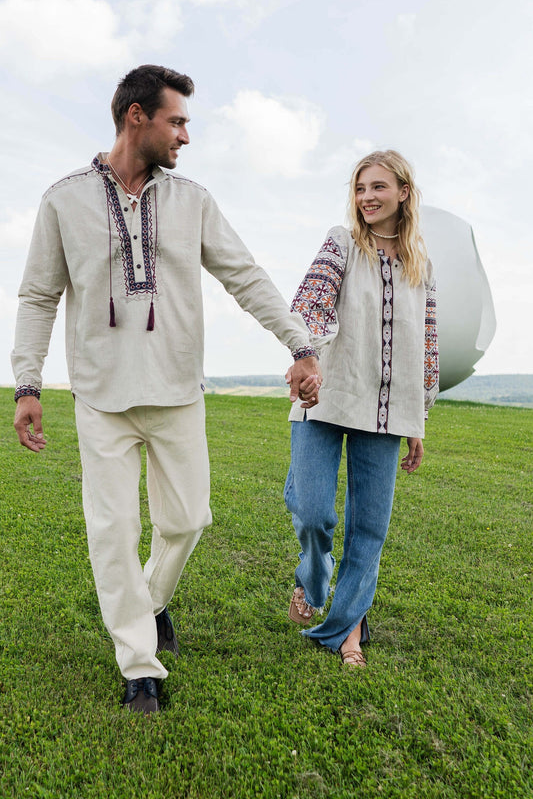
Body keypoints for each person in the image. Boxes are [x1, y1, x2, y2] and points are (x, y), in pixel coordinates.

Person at [11, 65, 321, 714]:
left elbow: (245, 275)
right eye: (176, 121)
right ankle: (138, 666)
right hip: (101, 396)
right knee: (114, 530)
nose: (185, 135)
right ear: (136, 117)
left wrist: (298, 342)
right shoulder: (63, 200)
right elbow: (39, 294)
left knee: (187, 521)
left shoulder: (193, 201)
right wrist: (28, 383)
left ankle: (149, 603)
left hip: (178, 389)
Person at [284, 150, 439, 667]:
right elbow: (310, 300)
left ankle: (348, 628)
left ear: (403, 192)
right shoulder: (342, 242)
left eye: (378, 187)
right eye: (359, 188)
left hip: (389, 410)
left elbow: (427, 347)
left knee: (369, 528)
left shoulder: (422, 265)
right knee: (312, 510)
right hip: (325, 394)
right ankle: (313, 577)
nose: (367, 197)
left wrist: (417, 420)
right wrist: (306, 355)